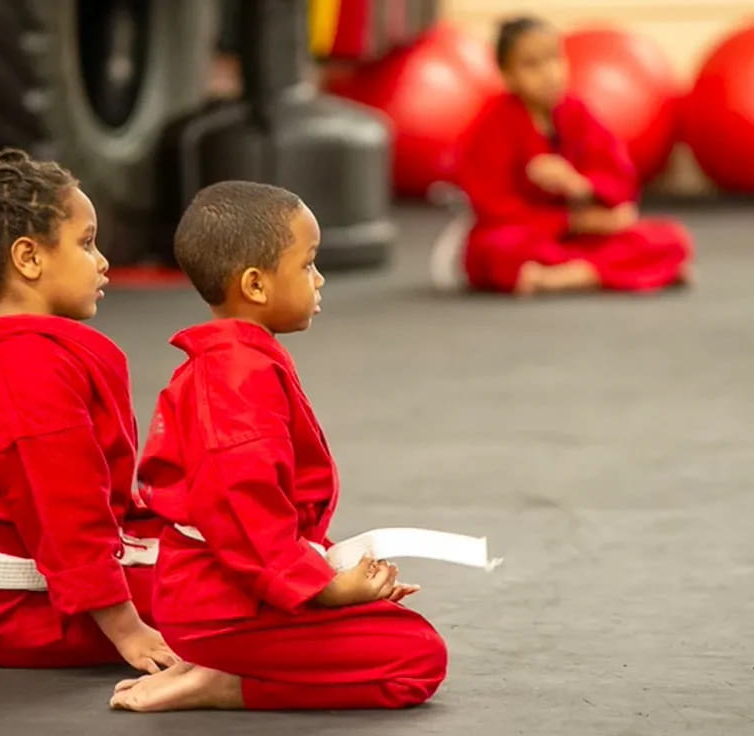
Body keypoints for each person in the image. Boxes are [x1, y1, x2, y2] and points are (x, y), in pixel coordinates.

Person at [110, 181, 447, 712]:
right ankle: (225, 683)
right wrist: (325, 591)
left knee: (390, 628)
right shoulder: (236, 377)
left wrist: (331, 572)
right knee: (416, 657)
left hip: (233, 591)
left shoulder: (240, 363)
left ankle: (226, 665)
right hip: (223, 607)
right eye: (308, 263)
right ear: (256, 285)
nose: (319, 279)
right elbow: (242, 509)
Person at [0, 149, 176, 671]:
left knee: (225, 556)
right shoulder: (26, 371)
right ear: (29, 258)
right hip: (19, 612)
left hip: (25, 597)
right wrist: (129, 632)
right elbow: (66, 511)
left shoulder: (26, 356)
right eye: (86, 243)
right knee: (227, 595)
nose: (102, 260)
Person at [456, 16, 692, 295]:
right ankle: (614, 273)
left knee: (669, 238)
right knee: (494, 251)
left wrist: (579, 184)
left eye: (555, 59)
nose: (549, 74)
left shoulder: (576, 113)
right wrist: (569, 221)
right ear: (508, 75)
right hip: (531, 234)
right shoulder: (492, 123)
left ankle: (572, 276)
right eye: (532, 65)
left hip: (582, 237)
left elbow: (620, 177)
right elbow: (491, 207)